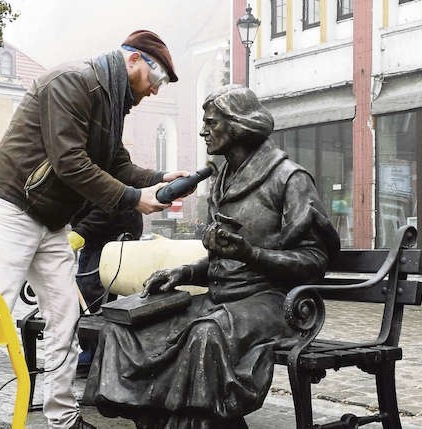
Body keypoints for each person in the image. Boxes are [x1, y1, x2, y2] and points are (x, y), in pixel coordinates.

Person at [0, 30, 187, 429]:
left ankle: (62, 417)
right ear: (133, 61)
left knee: (64, 318)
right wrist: (134, 198)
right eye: (157, 80)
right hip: (11, 207)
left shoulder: (112, 103)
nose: (154, 91)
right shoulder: (73, 81)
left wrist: (162, 177)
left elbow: (118, 165)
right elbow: (70, 163)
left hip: (51, 220)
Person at [83, 85, 340, 428]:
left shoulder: (289, 179)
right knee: (127, 327)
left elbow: (314, 262)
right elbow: (224, 262)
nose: (204, 130)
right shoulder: (222, 181)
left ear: (238, 125)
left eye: (212, 122)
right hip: (220, 301)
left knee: (205, 333)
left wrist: (252, 254)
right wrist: (184, 273)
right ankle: (153, 420)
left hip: (272, 306)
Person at [68, 203, 143, 372]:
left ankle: (96, 354)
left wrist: (80, 232)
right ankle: (92, 351)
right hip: (95, 235)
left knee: (92, 292)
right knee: (84, 291)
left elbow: (110, 205)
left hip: (113, 234)